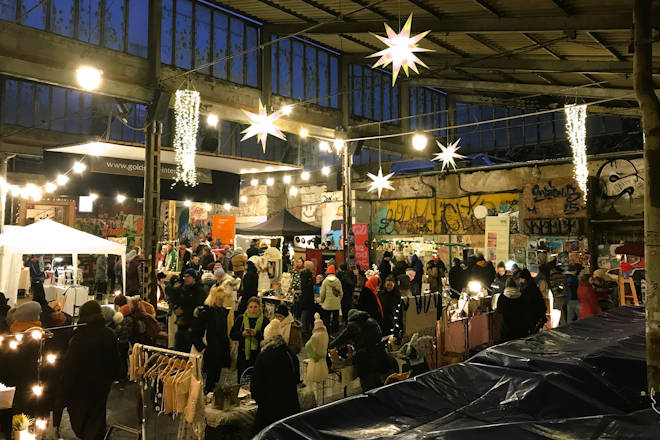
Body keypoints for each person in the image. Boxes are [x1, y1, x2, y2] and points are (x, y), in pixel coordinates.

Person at [59, 301, 120, 440]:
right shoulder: (109, 333)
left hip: (81, 387)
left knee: (81, 417)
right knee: (97, 415)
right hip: (102, 383)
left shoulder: (78, 338)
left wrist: (64, 389)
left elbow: (70, 367)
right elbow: (115, 359)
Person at [250, 319, 299, 432]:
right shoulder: (290, 354)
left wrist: (260, 401)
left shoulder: (263, 356)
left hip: (269, 411)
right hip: (290, 408)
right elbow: (296, 379)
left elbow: (255, 386)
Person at [193, 286, 231, 393]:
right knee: (207, 382)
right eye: (219, 299)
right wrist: (203, 349)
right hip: (209, 352)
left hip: (219, 351)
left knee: (216, 382)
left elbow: (224, 334)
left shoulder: (223, 312)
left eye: (223, 299)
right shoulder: (206, 313)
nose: (222, 301)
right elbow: (196, 334)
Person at [231, 297, 269, 382]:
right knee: (242, 379)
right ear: (247, 307)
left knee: (256, 380)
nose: (253, 310)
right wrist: (242, 334)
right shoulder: (241, 319)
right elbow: (232, 334)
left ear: (259, 307)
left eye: (255, 307)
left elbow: (268, 337)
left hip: (258, 354)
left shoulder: (265, 320)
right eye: (250, 307)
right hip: (243, 354)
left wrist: (257, 334)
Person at [170, 268, 207, 352]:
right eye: (184, 277)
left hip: (192, 328)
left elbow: (199, 310)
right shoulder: (183, 289)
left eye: (188, 276)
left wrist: (193, 326)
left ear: (193, 278)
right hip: (181, 325)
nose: (186, 278)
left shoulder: (200, 291)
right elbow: (177, 302)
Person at [494, 278, 530, 342]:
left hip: (507, 325)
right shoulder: (521, 295)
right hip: (520, 325)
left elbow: (499, 310)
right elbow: (526, 308)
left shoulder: (502, 296)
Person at [519, 269, 547, 334]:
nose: (520, 280)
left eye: (521, 278)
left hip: (532, 315)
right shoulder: (532, 285)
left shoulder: (529, 288)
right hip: (534, 315)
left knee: (532, 334)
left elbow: (528, 302)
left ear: (524, 278)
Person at [319, 265, 342, 334]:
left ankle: (327, 332)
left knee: (326, 319)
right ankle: (335, 332)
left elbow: (322, 293)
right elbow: (341, 293)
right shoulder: (338, 281)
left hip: (327, 304)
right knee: (335, 318)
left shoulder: (325, 281)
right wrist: (338, 300)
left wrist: (322, 301)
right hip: (336, 304)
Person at [299, 264, 315, 341]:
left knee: (305, 314)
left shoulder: (303, 276)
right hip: (307, 299)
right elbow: (308, 288)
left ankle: (304, 330)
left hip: (304, 299)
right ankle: (304, 330)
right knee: (305, 314)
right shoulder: (307, 277)